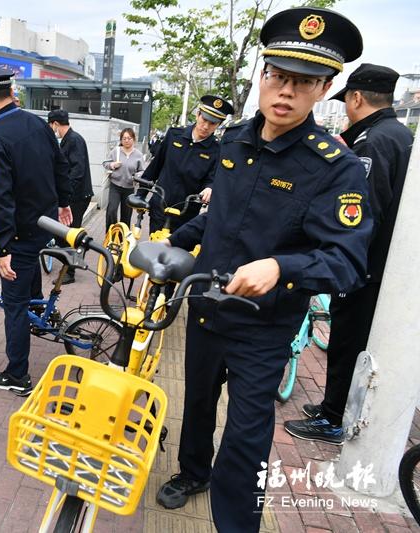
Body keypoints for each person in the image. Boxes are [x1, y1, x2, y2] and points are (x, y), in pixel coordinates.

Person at [155, 8, 372, 532]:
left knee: (247, 436)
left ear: (326, 89)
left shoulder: (335, 168)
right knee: (197, 404)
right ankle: (191, 473)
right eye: (278, 76)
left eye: (304, 82)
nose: (286, 92)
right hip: (207, 307)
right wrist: (170, 242)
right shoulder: (233, 141)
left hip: (264, 325)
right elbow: (219, 217)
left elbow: (346, 261)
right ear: (262, 75)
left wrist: (281, 266)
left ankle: (235, 523)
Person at [284, 64, 414, 444]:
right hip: (388, 267)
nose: (346, 110)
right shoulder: (402, 135)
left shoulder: (371, 142)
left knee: (347, 341)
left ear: (356, 98)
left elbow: (360, 213)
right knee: (360, 343)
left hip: (365, 268)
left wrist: (339, 260)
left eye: (347, 102)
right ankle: (337, 406)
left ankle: (333, 417)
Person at [0, 67, 72, 396]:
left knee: (13, 303)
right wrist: (64, 204)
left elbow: (0, 198)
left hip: (21, 233)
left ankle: (17, 375)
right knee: (29, 282)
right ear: (11, 93)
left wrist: (4, 248)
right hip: (45, 224)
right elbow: (60, 165)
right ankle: (38, 313)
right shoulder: (36, 123)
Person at [140, 94, 233, 236]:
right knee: (154, 250)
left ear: (219, 125)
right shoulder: (174, 135)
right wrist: (140, 195)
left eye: (213, 123)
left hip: (187, 214)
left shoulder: (217, 149)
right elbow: (155, 167)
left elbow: (212, 178)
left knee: (178, 255)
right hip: (160, 206)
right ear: (198, 114)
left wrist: (209, 188)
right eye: (204, 119)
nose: (206, 126)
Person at [48, 109, 93, 284]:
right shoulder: (68, 140)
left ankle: (71, 270)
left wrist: (64, 197)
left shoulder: (74, 140)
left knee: (66, 234)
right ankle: (72, 262)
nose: (52, 130)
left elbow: (77, 172)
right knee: (64, 233)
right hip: (73, 196)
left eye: (51, 126)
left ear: (56, 124)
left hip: (77, 196)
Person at [103, 128, 145, 229]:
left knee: (126, 216)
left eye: (129, 138)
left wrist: (137, 176)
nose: (126, 140)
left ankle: (123, 240)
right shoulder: (116, 151)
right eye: (124, 138)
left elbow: (142, 171)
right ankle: (110, 235)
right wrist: (112, 165)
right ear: (121, 140)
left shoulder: (138, 155)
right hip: (115, 186)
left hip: (129, 188)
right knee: (111, 211)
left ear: (133, 139)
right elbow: (105, 163)